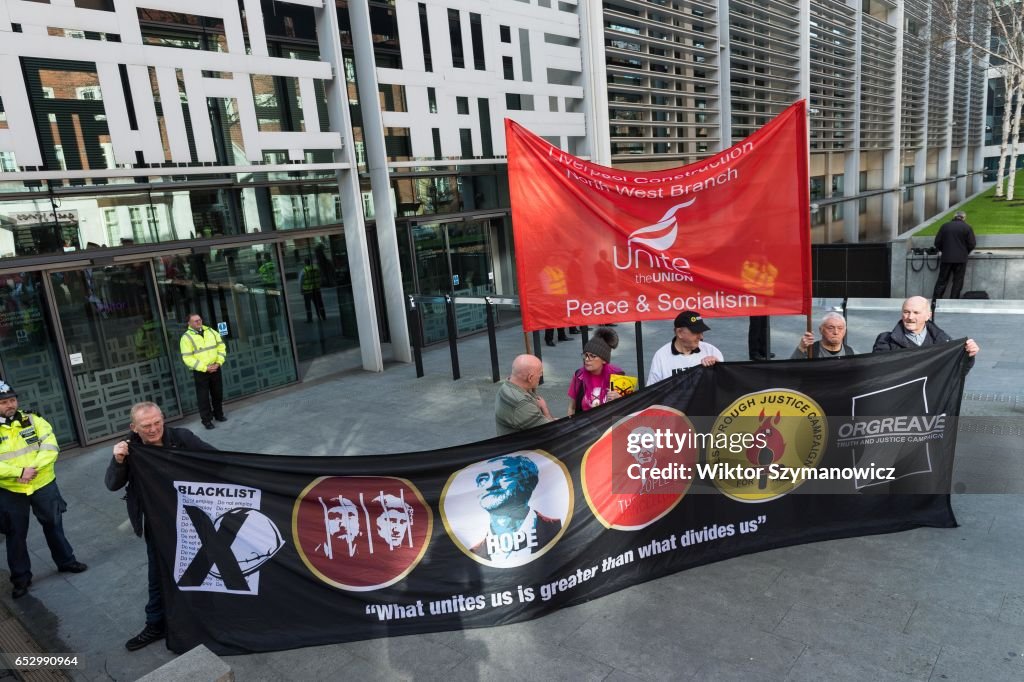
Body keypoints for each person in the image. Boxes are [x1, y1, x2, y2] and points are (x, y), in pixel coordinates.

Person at [106, 401, 215, 652]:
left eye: (158, 422)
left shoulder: (181, 437)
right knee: (157, 573)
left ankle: (207, 619)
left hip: (191, 516)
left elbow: (214, 459)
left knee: (200, 566)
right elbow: (112, 484)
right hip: (157, 521)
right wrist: (118, 461)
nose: (154, 429)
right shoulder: (129, 449)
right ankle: (155, 624)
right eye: (146, 426)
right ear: (134, 427)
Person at [0, 380, 87, 599]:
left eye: (11, 400)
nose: (9, 405)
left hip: (42, 482)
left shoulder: (33, 420)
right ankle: (21, 579)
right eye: (3, 402)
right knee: (15, 534)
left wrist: (32, 470)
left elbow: (50, 446)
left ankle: (66, 561)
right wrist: (19, 473)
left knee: (54, 524)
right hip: (12, 489)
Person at [470, 455, 562, 561]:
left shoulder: (560, 528)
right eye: (483, 479)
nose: (490, 485)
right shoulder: (473, 555)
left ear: (528, 482)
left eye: (502, 475)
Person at [872, 296, 979, 369]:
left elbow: (954, 373)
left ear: (928, 316)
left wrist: (968, 356)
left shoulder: (943, 341)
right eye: (906, 312)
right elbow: (879, 375)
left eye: (916, 312)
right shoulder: (885, 340)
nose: (910, 317)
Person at [647, 311, 723, 385]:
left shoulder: (712, 352)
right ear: (679, 332)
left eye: (702, 332)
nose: (701, 337)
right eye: (696, 332)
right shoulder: (661, 356)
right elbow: (652, 392)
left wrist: (718, 367)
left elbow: (726, 387)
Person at [179, 313, 226, 430]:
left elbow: (221, 347)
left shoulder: (211, 332)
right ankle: (207, 420)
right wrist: (205, 368)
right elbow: (187, 358)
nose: (198, 322)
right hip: (201, 372)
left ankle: (219, 414)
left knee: (217, 393)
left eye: (199, 320)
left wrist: (219, 362)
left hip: (216, 367)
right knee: (203, 397)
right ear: (189, 323)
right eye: (195, 321)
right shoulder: (186, 338)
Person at [567, 327, 623, 415]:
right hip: (585, 425)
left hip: (609, 426)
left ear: (604, 360)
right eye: (585, 355)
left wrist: (620, 398)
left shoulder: (617, 375)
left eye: (592, 356)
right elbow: (572, 408)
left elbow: (626, 409)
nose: (587, 359)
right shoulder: (579, 375)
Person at [495, 354, 554, 435]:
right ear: (530, 378)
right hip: (525, 446)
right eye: (539, 375)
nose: (540, 378)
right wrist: (545, 409)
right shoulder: (521, 403)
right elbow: (551, 430)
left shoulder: (506, 385)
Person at [932, 211, 976, 301]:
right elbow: (972, 244)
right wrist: (965, 252)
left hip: (946, 258)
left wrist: (944, 250)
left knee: (942, 280)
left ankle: (936, 300)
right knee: (958, 281)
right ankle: (953, 300)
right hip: (961, 259)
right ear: (963, 218)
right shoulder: (967, 227)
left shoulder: (945, 226)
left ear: (954, 217)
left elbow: (937, 242)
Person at [299, 257, 326, 322]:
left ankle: (309, 319)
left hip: (307, 290)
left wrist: (301, 289)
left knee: (308, 305)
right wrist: (320, 284)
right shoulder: (316, 268)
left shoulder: (304, 270)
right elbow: (321, 276)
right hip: (316, 289)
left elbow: (301, 281)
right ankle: (322, 316)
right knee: (319, 303)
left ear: (305, 263)